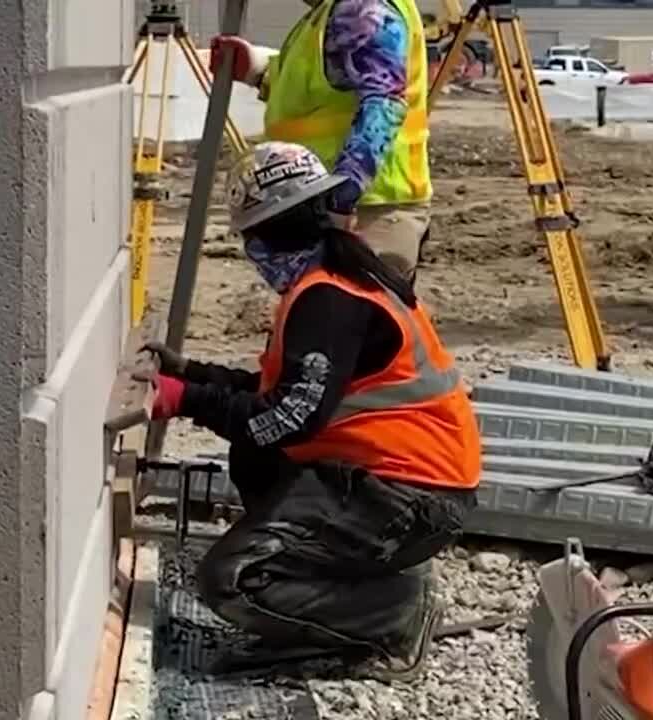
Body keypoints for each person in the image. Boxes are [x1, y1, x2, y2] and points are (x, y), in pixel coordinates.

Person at [140, 142, 480, 681]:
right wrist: (193, 376)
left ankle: (388, 617)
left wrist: (181, 399)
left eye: (253, 240)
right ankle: (366, 590)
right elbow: (282, 392)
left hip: (410, 499)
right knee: (256, 455)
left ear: (270, 234)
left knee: (230, 581)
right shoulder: (335, 275)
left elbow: (289, 417)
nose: (253, 254)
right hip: (405, 486)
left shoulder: (330, 298)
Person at [208, 0, 433, 282]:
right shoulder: (328, 14)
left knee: (349, 318)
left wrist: (340, 200)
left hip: (362, 213)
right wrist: (258, 70)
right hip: (325, 209)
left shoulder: (361, 10)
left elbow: (383, 106)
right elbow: (320, 95)